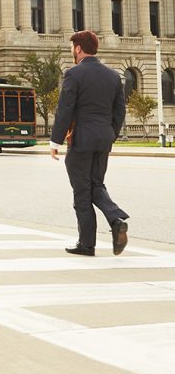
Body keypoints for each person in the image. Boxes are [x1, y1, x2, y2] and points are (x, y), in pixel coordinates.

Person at [50, 30, 129, 257]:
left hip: (82, 139)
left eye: (72, 48)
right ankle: (115, 220)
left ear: (78, 48)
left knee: (82, 192)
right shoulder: (113, 76)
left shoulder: (74, 74)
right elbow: (119, 111)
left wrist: (55, 139)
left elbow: (65, 109)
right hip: (103, 139)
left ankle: (87, 243)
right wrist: (110, 134)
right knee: (96, 184)